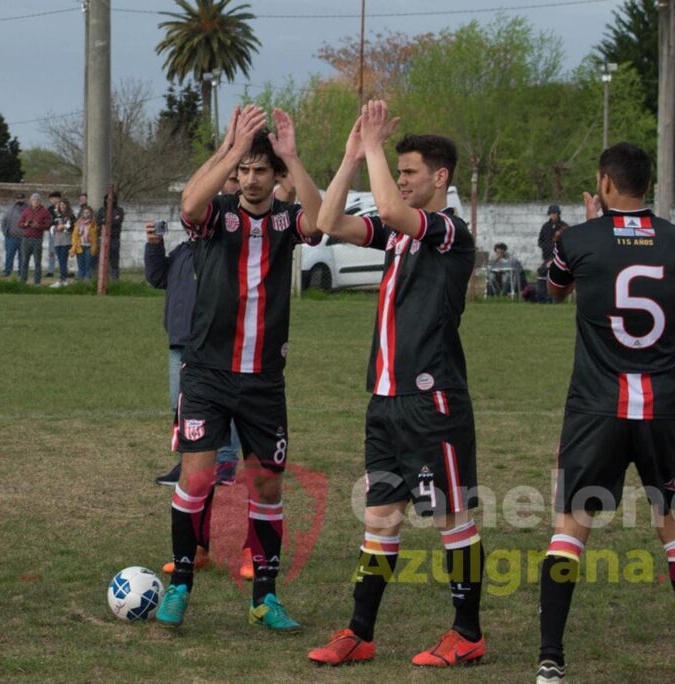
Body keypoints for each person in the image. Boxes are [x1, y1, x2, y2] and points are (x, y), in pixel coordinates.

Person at [307, 101, 485, 667]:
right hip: (385, 401)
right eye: (399, 171)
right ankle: (360, 632)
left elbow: (387, 205)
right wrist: (351, 156)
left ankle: (468, 633)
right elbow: (328, 223)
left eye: (410, 172)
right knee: (380, 518)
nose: (401, 181)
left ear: (440, 178)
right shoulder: (400, 235)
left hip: (432, 402)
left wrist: (377, 149)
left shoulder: (449, 232)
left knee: (453, 520)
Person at [534, 142, 675, 684]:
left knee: (570, 527)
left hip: (596, 408)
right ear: (648, 185)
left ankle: (550, 659)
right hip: (664, 410)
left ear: (605, 185)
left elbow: (555, 290)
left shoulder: (575, 240)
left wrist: (595, 233)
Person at [153, 104, 322, 631]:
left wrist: (294, 158)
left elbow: (319, 220)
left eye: (261, 170)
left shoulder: (285, 220)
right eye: (244, 170)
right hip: (206, 372)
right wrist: (228, 146)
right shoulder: (216, 217)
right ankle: (181, 583)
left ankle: (264, 597)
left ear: (275, 177)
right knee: (199, 475)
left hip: (264, 380)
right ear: (235, 174)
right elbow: (188, 200)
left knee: (267, 485)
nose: (251, 178)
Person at [144, 217, 250, 580]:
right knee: (182, 407)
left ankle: (225, 458)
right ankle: (191, 459)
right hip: (180, 344)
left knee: (228, 416)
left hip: (214, 349)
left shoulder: (220, 251)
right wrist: (154, 246)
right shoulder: (182, 252)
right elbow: (156, 278)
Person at [19, 193, 52, 284]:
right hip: (26, 238)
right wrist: (25, 224)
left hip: (37, 239)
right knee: (24, 260)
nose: (36, 201)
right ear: (31, 201)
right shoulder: (26, 211)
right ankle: (22, 281)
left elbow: (48, 225)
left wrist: (38, 226)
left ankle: (37, 282)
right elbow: (20, 223)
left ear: (40, 201)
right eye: (34, 200)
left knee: (37, 261)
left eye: (37, 200)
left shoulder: (44, 212)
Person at [536, 204, 567, 303]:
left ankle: (552, 297)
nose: (553, 215)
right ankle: (542, 297)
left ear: (558, 214)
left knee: (551, 272)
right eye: (551, 213)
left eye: (555, 213)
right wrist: (545, 246)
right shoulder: (545, 226)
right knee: (541, 272)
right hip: (547, 256)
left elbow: (567, 243)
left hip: (558, 257)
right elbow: (540, 241)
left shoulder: (563, 226)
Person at [96, 192, 125, 280]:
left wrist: (107, 220)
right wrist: (108, 220)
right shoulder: (102, 210)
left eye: (111, 199)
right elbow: (99, 221)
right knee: (102, 260)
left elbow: (118, 221)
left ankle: (115, 280)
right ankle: (103, 279)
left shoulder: (119, 210)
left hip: (114, 238)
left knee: (114, 260)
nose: (109, 201)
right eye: (107, 199)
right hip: (103, 237)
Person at [1, 193, 27, 277]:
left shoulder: (29, 209)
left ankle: (21, 272)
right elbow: (3, 221)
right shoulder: (10, 209)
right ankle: (7, 271)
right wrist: (5, 232)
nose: (20, 200)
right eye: (18, 198)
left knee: (22, 257)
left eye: (21, 198)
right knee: (9, 255)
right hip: (11, 238)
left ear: (24, 199)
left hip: (24, 238)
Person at [50, 199, 75, 287]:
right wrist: (56, 228)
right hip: (57, 241)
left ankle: (64, 279)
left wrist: (63, 226)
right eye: (61, 205)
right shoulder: (57, 216)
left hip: (66, 241)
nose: (62, 207)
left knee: (63, 260)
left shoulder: (71, 216)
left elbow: (71, 226)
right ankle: (62, 279)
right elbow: (51, 226)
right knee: (60, 260)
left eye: (64, 205)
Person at [70, 205, 98, 281]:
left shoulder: (93, 223)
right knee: (80, 266)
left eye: (88, 212)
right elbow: (74, 235)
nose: (86, 214)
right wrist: (74, 244)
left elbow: (94, 235)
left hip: (89, 246)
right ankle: (80, 283)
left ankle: (87, 282)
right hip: (80, 246)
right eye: (84, 212)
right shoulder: (78, 223)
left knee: (88, 265)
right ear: (82, 213)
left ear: (91, 213)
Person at [46, 191, 62, 277]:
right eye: (50, 199)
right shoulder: (49, 209)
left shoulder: (63, 207)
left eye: (52, 198)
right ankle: (50, 270)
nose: (51, 200)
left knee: (62, 251)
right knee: (51, 251)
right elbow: (47, 220)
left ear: (58, 198)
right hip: (52, 232)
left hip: (62, 233)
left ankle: (63, 270)